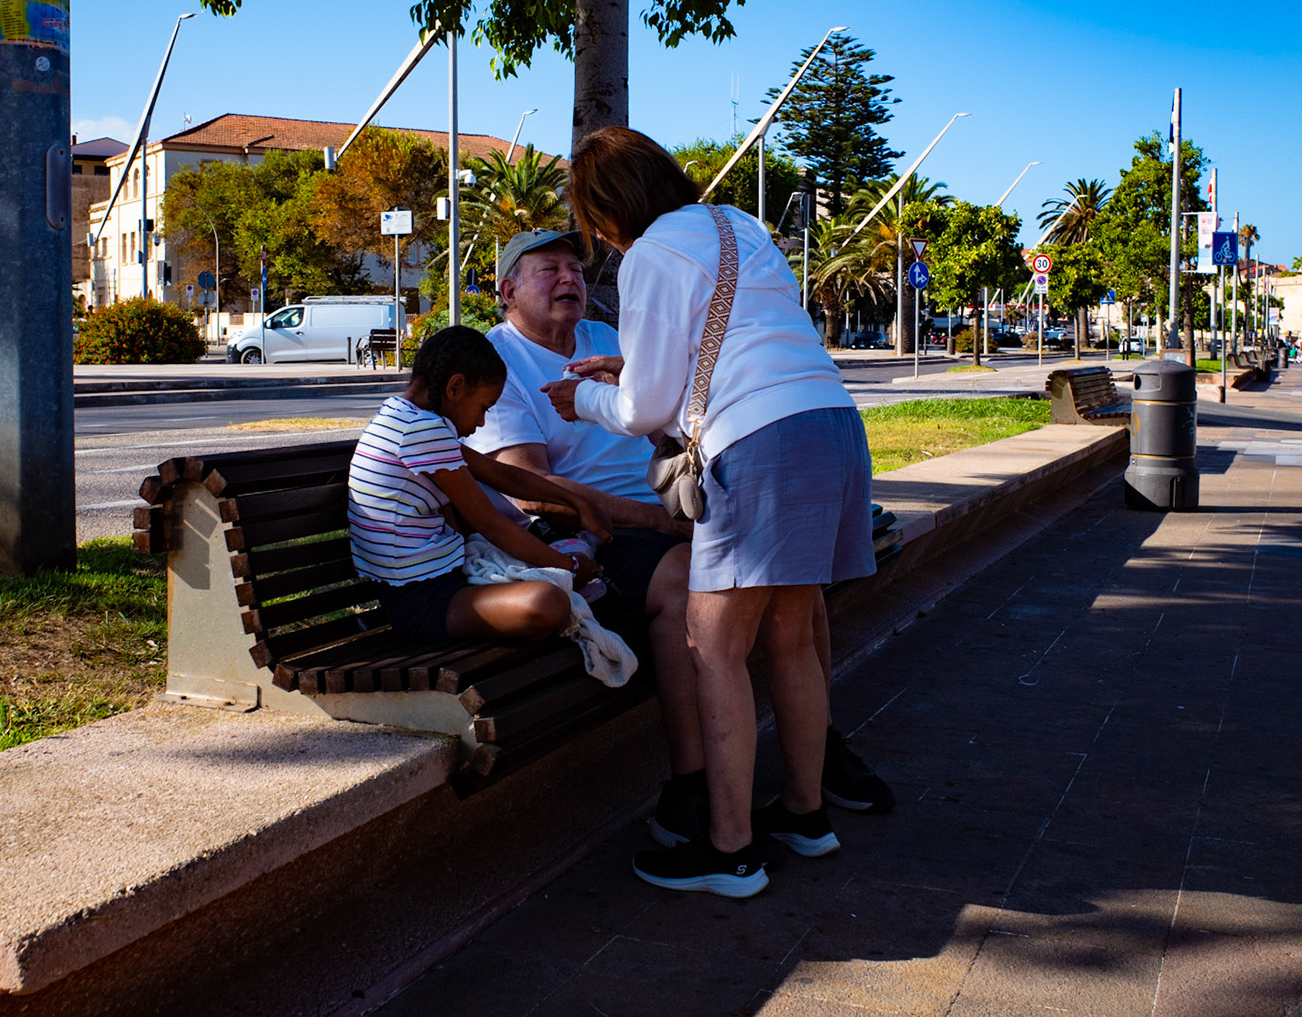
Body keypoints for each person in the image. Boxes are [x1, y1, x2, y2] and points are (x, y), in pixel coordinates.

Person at [466, 230, 894, 850]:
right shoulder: (499, 361)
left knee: (793, 579)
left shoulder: (605, 340)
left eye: (576, 269)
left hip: (671, 510)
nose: (570, 279)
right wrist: (658, 521)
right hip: (598, 530)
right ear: (506, 290)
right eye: (548, 269)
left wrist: (683, 478)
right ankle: (692, 786)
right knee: (680, 577)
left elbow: (665, 426)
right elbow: (534, 490)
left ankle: (818, 748)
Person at [544, 127, 877, 899]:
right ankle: (806, 812)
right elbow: (732, 342)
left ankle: (730, 851)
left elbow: (646, 407)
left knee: (713, 645)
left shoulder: (652, 253)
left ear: (607, 206)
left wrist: (584, 398)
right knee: (791, 636)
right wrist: (630, 368)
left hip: (759, 443)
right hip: (829, 420)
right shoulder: (738, 225)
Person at [349, 326, 611, 642]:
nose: (482, 422)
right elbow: (490, 524)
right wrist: (569, 568)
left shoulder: (403, 416)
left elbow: (502, 475)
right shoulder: (422, 431)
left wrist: (577, 502)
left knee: (547, 586)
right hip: (422, 600)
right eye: (484, 407)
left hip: (433, 583)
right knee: (549, 603)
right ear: (455, 388)